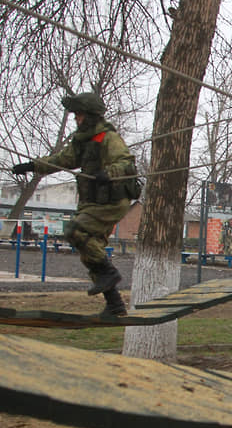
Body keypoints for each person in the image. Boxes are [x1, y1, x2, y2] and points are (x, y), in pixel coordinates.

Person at [13, 92, 141, 317]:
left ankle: (109, 275)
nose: (76, 119)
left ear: (91, 115)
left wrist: (108, 173)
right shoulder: (82, 141)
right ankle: (114, 303)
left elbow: (127, 164)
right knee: (89, 249)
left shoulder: (108, 138)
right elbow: (62, 161)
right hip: (93, 202)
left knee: (74, 230)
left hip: (112, 201)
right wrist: (32, 166)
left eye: (79, 115)